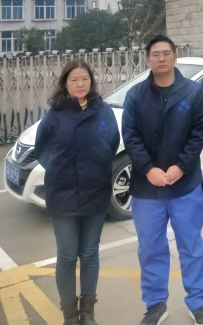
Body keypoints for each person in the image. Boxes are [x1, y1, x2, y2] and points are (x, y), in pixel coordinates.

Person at [122, 34, 203, 325]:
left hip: (184, 185)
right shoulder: (136, 95)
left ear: (175, 56)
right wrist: (148, 169)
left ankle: (198, 302)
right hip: (147, 187)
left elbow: (199, 132)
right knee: (150, 248)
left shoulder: (193, 91)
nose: (161, 58)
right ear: (147, 59)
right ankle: (156, 304)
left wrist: (181, 167)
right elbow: (130, 135)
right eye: (155, 54)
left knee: (191, 245)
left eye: (166, 53)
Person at [34, 59, 120, 325]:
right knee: (67, 255)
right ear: (65, 83)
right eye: (74, 79)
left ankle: (88, 313)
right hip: (63, 195)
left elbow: (112, 142)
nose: (80, 84)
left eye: (85, 78)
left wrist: (96, 169)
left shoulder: (103, 111)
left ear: (91, 81)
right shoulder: (55, 114)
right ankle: (70, 316)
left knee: (90, 253)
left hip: (95, 193)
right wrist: (62, 171)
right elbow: (42, 149)